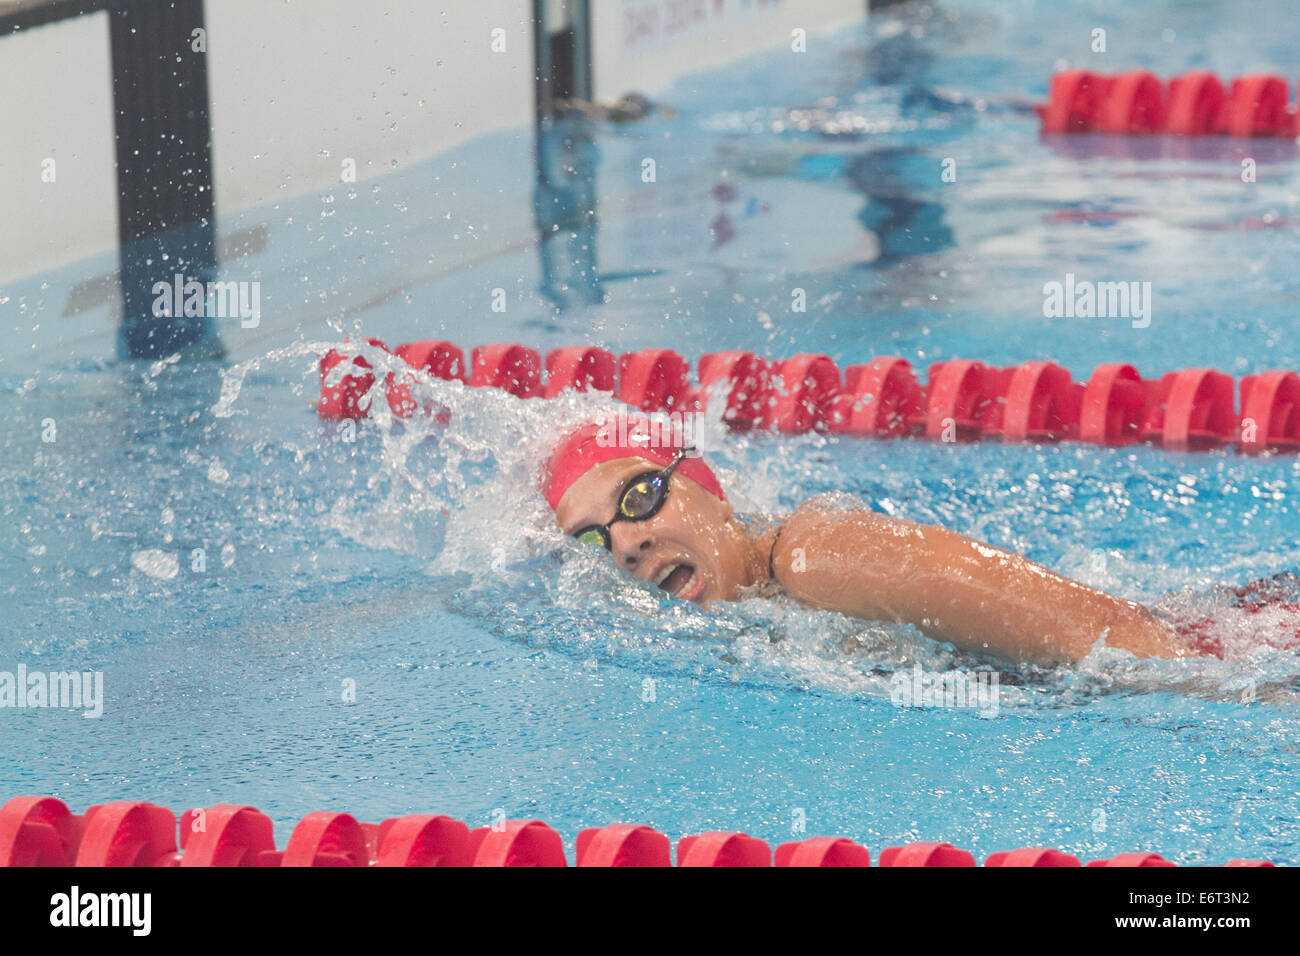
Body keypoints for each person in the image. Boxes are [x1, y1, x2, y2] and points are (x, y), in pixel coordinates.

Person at [543, 415, 1207, 666]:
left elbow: (1104, 630)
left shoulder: (816, 558)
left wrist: (1248, 696)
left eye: (640, 497)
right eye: (590, 540)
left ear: (711, 491)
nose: (624, 545)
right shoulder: (761, 608)